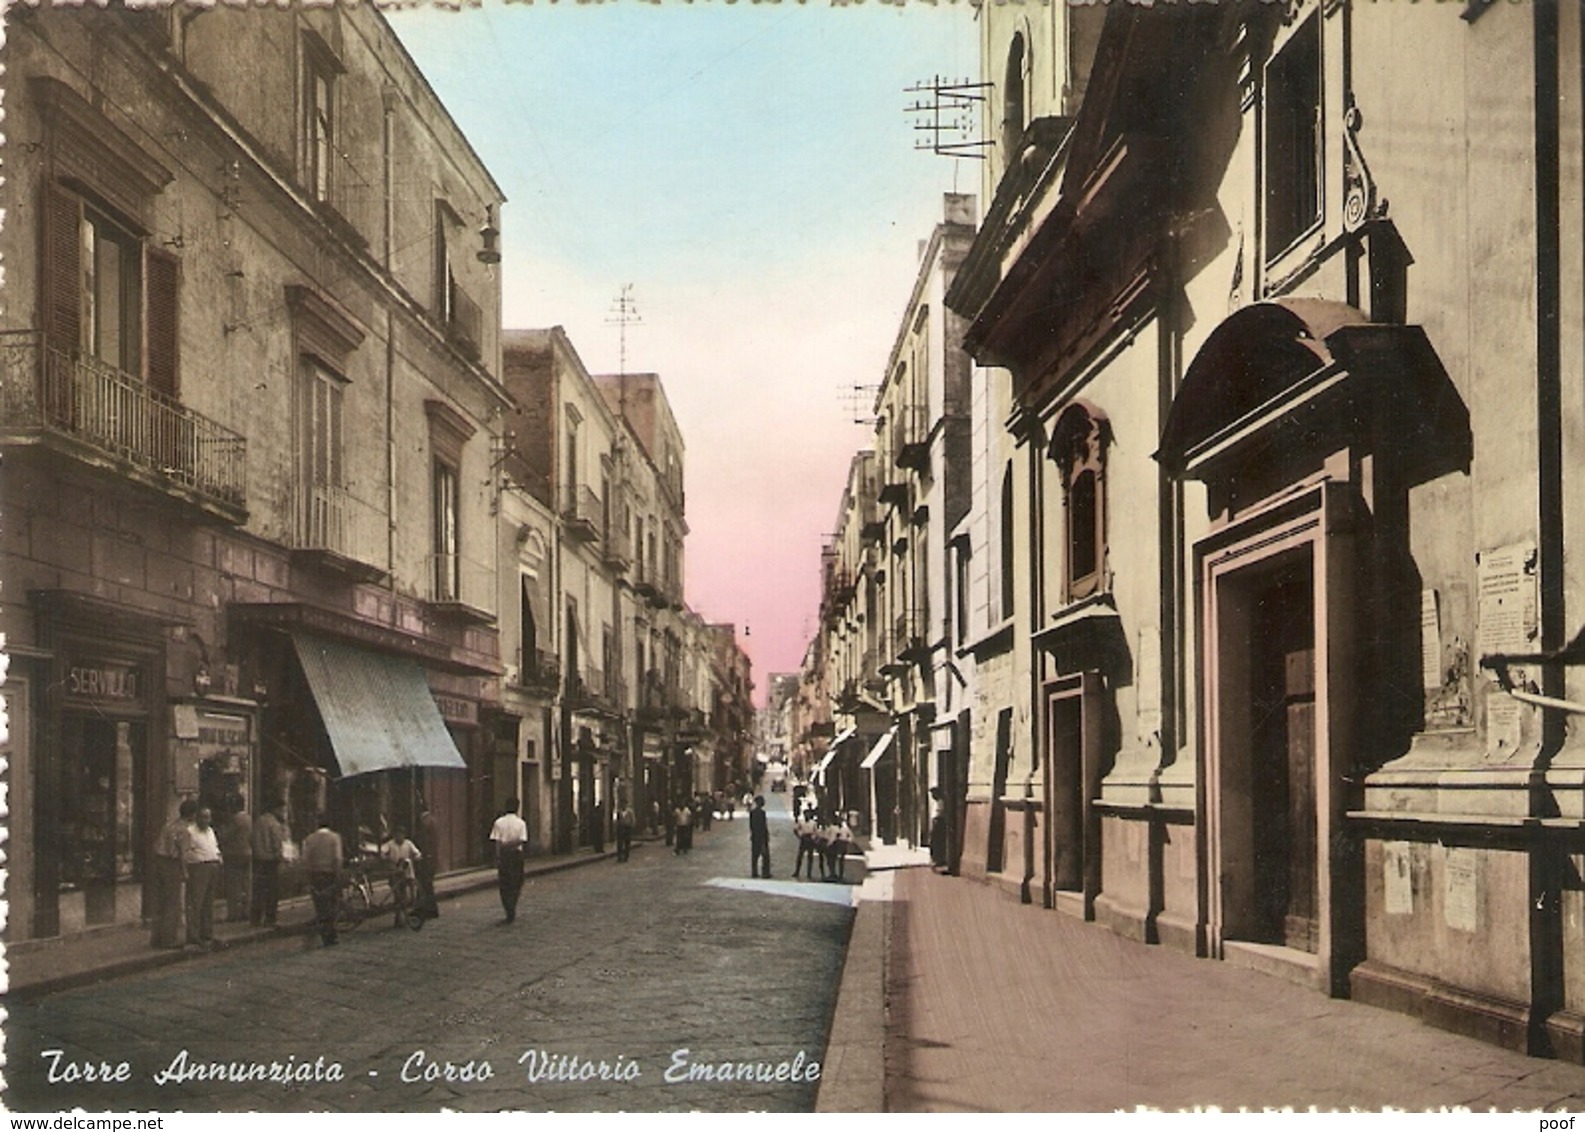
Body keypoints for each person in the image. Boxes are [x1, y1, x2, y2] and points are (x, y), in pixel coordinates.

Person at [150, 799, 195, 948]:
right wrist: (185, 872)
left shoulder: (169, 825)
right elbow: (183, 854)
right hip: (172, 864)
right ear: (192, 815)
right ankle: (169, 939)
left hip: (158, 862)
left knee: (160, 902)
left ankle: (156, 938)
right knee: (172, 902)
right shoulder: (185, 830)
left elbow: (157, 844)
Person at [302, 812, 344, 947]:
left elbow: (306, 859)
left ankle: (324, 933)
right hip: (329, 874)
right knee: (332, 905)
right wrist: (338, 874)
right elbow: (337, 858)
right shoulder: (334, 838)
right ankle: (331, 935)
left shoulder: (310, 839)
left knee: (320, 905)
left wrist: (308, 876)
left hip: (315, 875)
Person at [184, 805, 223, 948]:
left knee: (208, 902)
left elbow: (215, 846)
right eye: (203, 817)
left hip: (213, 865)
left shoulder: (210, 831)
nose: (206, 820)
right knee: (196, 902)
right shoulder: (190, 831)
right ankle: (193, 936)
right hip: (198, 867)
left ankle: (207, 934)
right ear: (197, 817)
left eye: (209, 817)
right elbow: (186, 851)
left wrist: (218, 857)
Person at [490, 797, 529, 923]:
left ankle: (508, 908)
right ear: (517, 808)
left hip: (504, 856)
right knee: (517, 882)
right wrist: (511, 844)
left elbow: (496, 842)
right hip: (516, 855)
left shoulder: (498, 822)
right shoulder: (521, 823)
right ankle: (512, 905)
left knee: (504, 883)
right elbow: (521, 840)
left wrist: (498, 856)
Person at [250, 798, 287, 927]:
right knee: (272, 891)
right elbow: (276, 843)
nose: (283, 812)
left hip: (258, 859)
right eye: (282, 810)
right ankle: (270, 918)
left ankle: (255, 918)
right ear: (276, 809)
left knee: (258, 890)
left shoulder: (258, 821)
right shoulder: (274, 824)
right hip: (271, 861)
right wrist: (280, 857)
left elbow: (252, 839)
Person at [217, 795, 253, 923]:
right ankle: (247, 911)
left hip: (234, 854)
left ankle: (234, 914)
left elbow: (224, 835)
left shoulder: (235, 819)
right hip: (247, 853)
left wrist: (221, 828)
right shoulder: (249, 818)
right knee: (246, 884)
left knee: (233, 885)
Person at [381, 826, 423, 927]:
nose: (399, 837)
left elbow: (417, 853)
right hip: (394, 873)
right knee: (397, 895)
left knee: (407, 893)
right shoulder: (390, 844)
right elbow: (382, 851)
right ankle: (398, 917)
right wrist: (385, 858)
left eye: (401, 834)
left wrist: (417, 857)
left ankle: (407, 914)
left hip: (406, 873)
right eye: (397, 834)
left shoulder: (408, 844)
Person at [414, 801, 441, 921]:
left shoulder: (424, 822)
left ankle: (428, 909)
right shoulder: (433, 820)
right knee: (427, 884)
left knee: (425, 883)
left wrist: (420, 855)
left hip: (426, 858)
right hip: (431, 857)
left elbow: (423, 842)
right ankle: (425, 908)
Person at [793, 808, 820, 880]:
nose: (807, 816)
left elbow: (816, 832)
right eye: (806, 814)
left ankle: (809, 873)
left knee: (810, 857)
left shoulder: (813, 823)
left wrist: (814, 838)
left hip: (810, 839)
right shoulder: (801, 822)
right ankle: (797, 871)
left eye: (808, 814)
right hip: (804, 838)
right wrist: (799, 836)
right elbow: (795, 829)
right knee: (800, 856)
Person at [749, 794, 771, 879]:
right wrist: (766, 836)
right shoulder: (762, 813)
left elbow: (751, 825)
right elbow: (763, 825)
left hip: (755, 836)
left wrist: (752, 834)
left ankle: (754, 872)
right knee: (765, 855)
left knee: (755, 855)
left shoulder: (752, 813)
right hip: (761, 836)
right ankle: (765, 873)